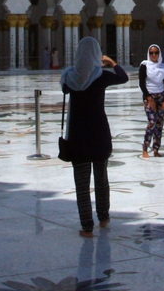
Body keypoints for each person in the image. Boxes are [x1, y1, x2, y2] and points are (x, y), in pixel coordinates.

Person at [61, 36, 128, 237]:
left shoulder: (68, 77)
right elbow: (124, 77)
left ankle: (87, 226)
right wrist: (112, 63)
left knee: (82, 184)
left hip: (77, 136)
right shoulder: (102, 76)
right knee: (101, 179)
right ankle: (104, 217)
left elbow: (66, 88)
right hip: (99, 134)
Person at [138, 44, 164, 158]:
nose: (154, 55)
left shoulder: (163, 67)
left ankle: (156, 149)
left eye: (156, 52)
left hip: (161, 96)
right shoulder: (144, 66)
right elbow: (142, 83)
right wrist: (149, 98)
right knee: (152, 122)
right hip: (149, 96)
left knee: (159, 123)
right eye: (152, 53)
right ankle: (145, 148)